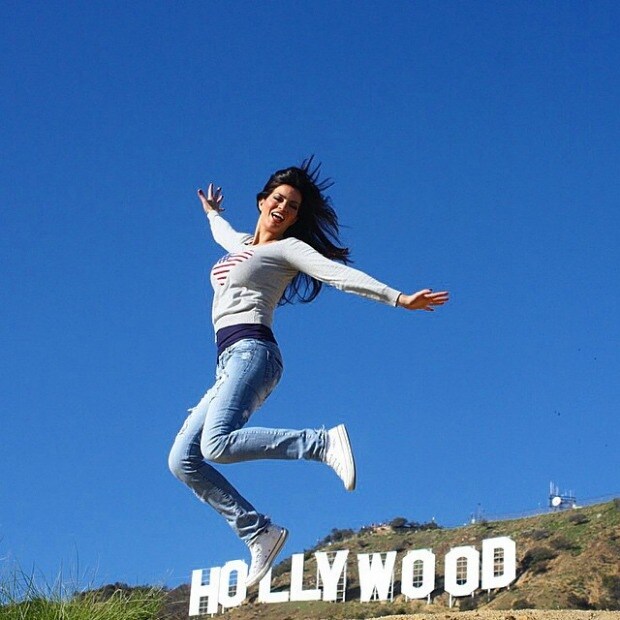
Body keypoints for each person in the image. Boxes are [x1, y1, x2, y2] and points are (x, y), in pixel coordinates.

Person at [168, 158, 449, 588]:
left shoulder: (288, 250)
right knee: (182, 460)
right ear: (262, 201)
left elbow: (339, 276)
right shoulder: (242, 244)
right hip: (227, 363)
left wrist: (398, 298)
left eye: (293, 206)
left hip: (254, 352)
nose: (283, 208)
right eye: (278, 199)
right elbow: (223, 234)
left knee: (217, 444)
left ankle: (321, 443)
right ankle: (259, 532)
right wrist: (212, 213)